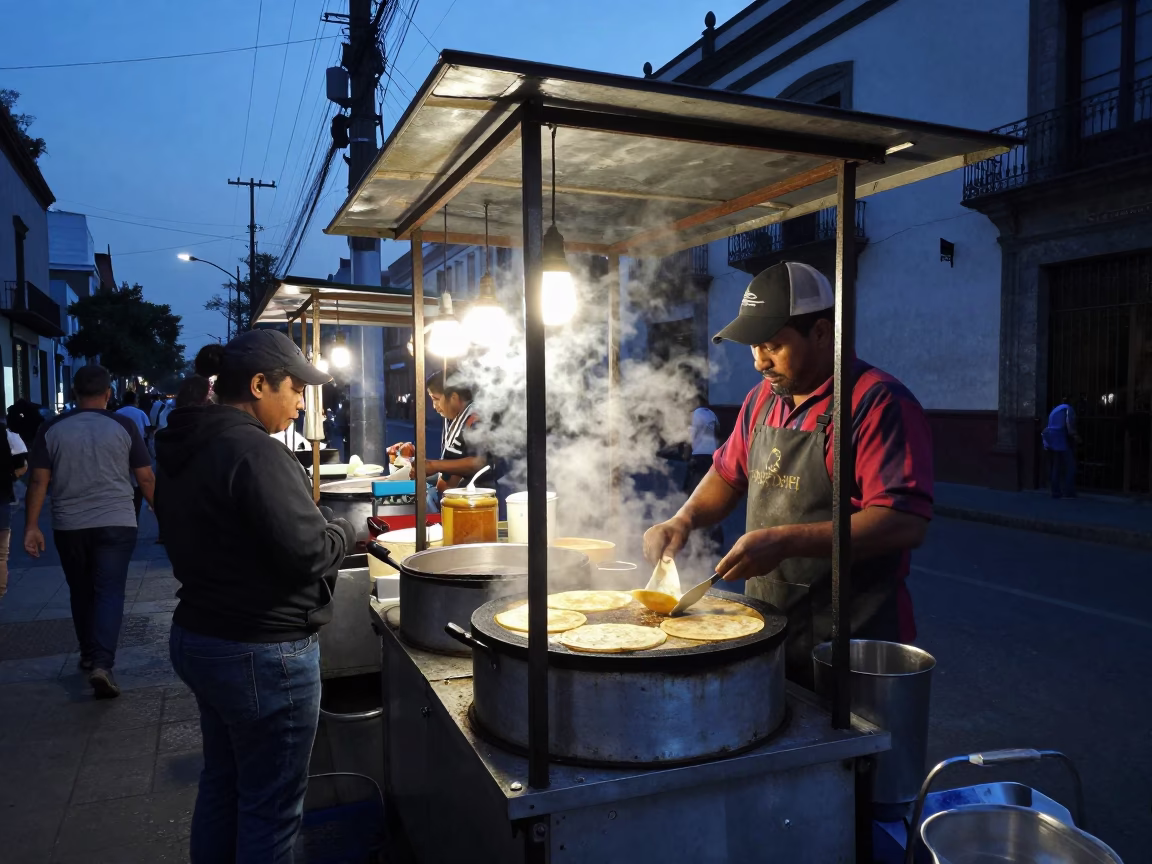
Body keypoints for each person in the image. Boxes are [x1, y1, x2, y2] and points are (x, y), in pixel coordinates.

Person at [643, 262, 933, 688]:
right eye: (754, 347)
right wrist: (682, 519)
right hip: (768, 632)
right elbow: (727, 474)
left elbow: (903, 522)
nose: (760, 361)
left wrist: (785, 540)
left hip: (850, 646)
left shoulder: (876, 403)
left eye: (773, 346)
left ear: (820, 333)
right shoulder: (762, 399)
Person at [154, 331, 354, 863]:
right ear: (261, 384)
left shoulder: (183, 442)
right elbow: (310, 551)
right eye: (294, 390)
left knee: (223, 783)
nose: (299, 404)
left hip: (201, 634)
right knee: (272, 810)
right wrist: (344, 531)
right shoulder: (253, 451)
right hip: (262, 651)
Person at [23, 365, 155, 698]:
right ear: (108, 394)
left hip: (70, 524)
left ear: (74, 394)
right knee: (110, 592)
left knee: (82, 591)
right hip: (117, 522)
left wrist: (31, 525)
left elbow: (39, 480)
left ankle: (87, 654)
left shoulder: (51, 429)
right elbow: (146, 477)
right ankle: (102, 663)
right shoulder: (124, 425)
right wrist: (163, 512)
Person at [387, 370, 486, 513]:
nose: (434, 406)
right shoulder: (452, 419)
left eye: (435, 398)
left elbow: (479, 462)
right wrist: (420, 465)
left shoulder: (474, 419)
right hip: (448, 501)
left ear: (453, 397)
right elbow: (452, 465)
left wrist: (433, 465)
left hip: (472, 505)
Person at [0, 420, 28, 598]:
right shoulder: (5, 433)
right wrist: (10, 478)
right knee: (1, 555)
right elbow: (22, 465)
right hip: (1, 499)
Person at [116, 390, 152, 518]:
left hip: (119, 452)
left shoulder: (117, 413)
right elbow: (148, 431)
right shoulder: (141, 413)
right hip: (138, 452)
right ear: (135, 400)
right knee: (138, 483)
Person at [1041, 393, 1078, 499]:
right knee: (1071, 466)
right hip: (1060, 438)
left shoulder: (1056, 409)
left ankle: (1055, 491)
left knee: (1056, 466)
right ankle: (1068, 491)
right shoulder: (1068, 409)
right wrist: (1076, 436)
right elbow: (1069, 426)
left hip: (1052, 438)